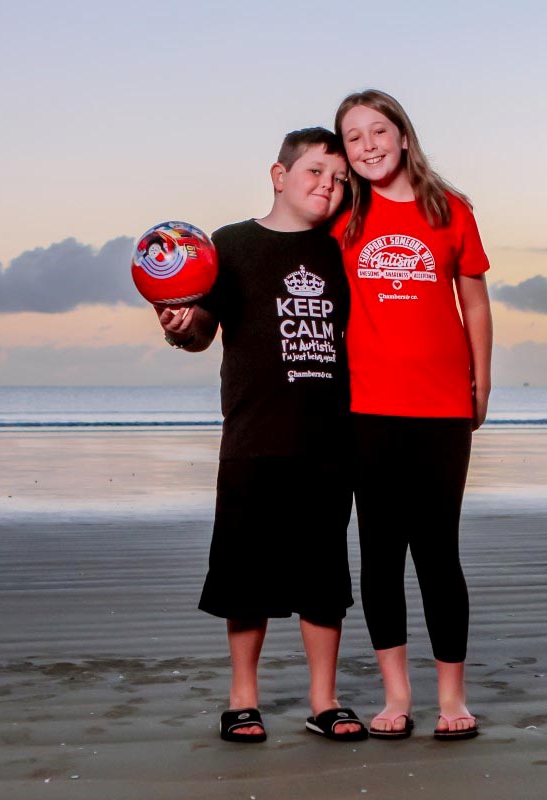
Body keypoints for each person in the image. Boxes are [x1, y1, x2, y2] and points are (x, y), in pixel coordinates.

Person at [157, 127, 367, 744]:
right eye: (314, 174)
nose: (327, 187)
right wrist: (178, 322)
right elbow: (199, 334)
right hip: (252, 435)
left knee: (324, 578)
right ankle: (241, 697)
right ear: (278, 176)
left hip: (330, 439)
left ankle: (323, 700)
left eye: (338, 180)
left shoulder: (341, 249)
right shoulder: (232, 245)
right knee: (244, 575)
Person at [332, 90, 493, 741]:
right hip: (366, 408)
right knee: (379, 554)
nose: (367, 145)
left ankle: (452, 696)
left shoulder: (450, 211)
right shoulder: (343, 215)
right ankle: (396, 696)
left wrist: (481, 382)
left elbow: (475, 304)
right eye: (353, 137)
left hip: (441, 408)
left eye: (378, 131)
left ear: (403, 136)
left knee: (438, 553)